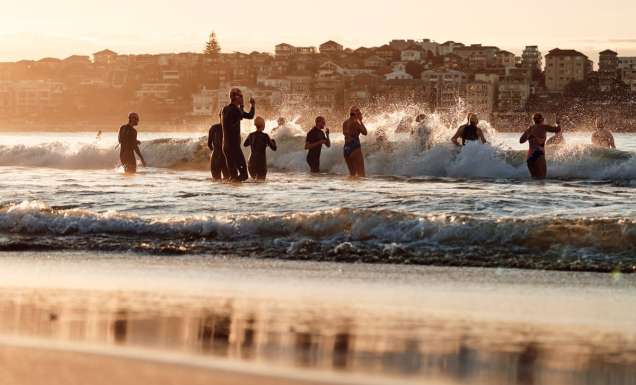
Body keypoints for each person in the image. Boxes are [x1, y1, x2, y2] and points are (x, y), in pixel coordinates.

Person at [222, 88, 255, 181]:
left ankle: (231, 194)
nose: (242, 99)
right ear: (236, 97)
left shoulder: (224, 109)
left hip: (226, 147)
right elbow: (245, 115)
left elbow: (249, 116)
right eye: (241, 96)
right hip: (234, 147)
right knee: (244, 175)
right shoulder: (235, 110)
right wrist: (248, 105)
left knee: (233, 176)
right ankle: (236, 194)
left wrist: (252, 106)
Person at [520, 113, 561, 179]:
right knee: (542, 178)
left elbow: (521, 141)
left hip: (530, 156)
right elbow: (558, 129)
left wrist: (529, 136)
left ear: (533, 120)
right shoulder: (544, 126)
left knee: (534, 179)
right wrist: (558, 123)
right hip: (539, 153)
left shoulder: (529, 129)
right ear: (542, 119)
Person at [342, 106, 368, 177]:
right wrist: (361, 121)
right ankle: (359, 188)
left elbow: (346, 134)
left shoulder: (345, 123)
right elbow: (365, 132)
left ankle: (351, 188)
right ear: (357, 114)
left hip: (346, 149)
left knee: (352, 175)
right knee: (361, 174)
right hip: (355, 147)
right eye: (359, 113)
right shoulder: (356, 122)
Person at [208, 111, 229, 180]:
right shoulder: (231, 128)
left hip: (216, 155)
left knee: (216, 181)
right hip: (227, 157)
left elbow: (209, 144)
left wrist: (216, 151)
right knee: (229, 181)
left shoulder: (213, 128)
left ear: (220, 116)